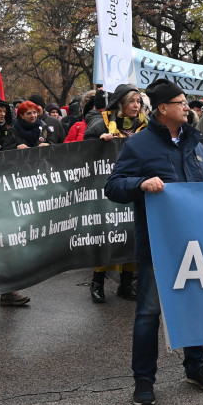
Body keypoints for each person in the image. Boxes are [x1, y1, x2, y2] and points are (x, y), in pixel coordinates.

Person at [104, 79, 203, 405]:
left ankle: (195, 367)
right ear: (163, 108)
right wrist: (140, 183)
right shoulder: (139, 145)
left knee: (194, 304)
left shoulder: (194, 143)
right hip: (157, 244)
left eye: (186, 102)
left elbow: (202, 182)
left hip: (194, 244)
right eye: (181, 103)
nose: (187, 107)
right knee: (149, 313)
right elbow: (113, 186)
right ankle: (144, 380)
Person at [84, 85, 146, 302]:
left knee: (131, 234)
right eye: (132, 101)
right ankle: (97, 282)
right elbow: (82, 151)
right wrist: (99, 143)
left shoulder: (145, 125)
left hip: (135, 185)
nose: (136, 106)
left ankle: (127, 284)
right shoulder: (101, 122)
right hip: (109, 187)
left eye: (139, 101)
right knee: (110, 234)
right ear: (121, 103)